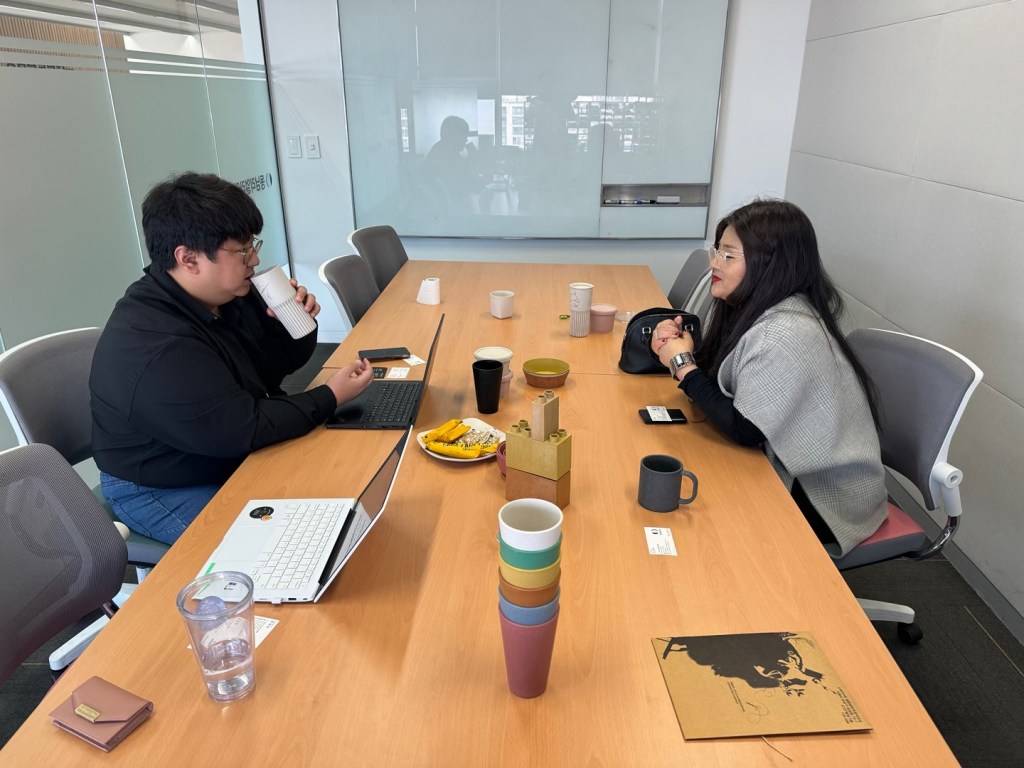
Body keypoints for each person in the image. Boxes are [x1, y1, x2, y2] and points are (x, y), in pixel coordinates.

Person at [90, 172, 374, 545]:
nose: (254, 259)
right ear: (188, 258)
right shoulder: (157, 343)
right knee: (286, 546)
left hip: (221, 446)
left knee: (344, 488)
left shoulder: (225, 296)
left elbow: (274, 369)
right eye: (241, 251)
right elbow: (243, 428)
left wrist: (293, 322)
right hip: (161, 485)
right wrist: (330, 395)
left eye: (252, 244)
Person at [650, 199, 887, 557]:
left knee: (700, 516)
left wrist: (682, 364)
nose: (715, 263)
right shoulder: (749, 306)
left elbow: (745, 430)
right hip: (788, 460)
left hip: (826, 496)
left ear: (770, 264)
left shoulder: (785, 331)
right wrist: (680, 348)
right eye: (717, 251)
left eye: (728, 256)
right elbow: (717, 376)